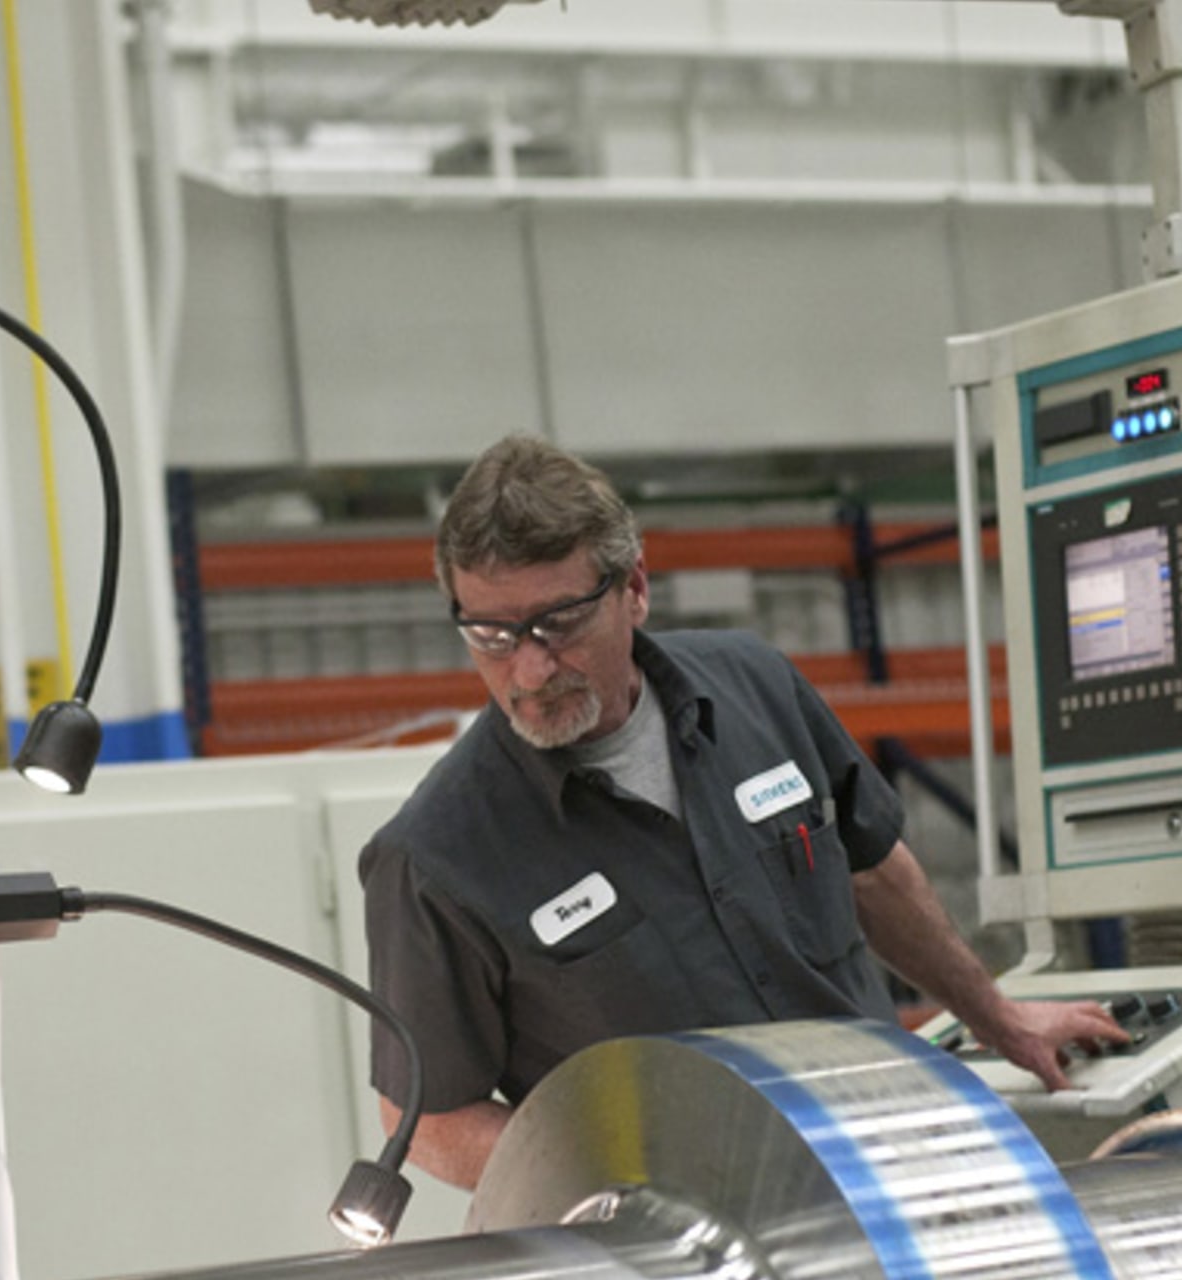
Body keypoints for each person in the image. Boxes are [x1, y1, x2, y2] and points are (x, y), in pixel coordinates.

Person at [361, 436, 1125, 1190]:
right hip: (705, 1237)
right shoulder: (436, 858)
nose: (528, 669)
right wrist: (627, 1181)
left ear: (634, 588)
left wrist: (997, 1015)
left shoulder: (755, 688)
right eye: (491, 635)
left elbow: (873, 872)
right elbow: (426, 1115)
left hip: (892, 1162)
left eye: (557, 623)